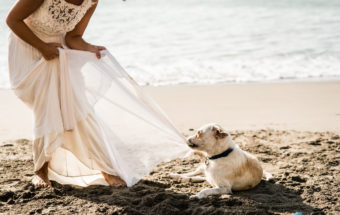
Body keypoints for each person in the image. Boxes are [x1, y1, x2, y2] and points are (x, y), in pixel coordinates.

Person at [6, 0, 189, 188]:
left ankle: (105, 169)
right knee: (47, 104)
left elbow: (73, 37)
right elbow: (12, 20)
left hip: (58, 51)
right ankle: (40, 171)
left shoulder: (91, 2)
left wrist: (90, 48)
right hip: (27, 48)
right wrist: (43, 48)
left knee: (78, 107)